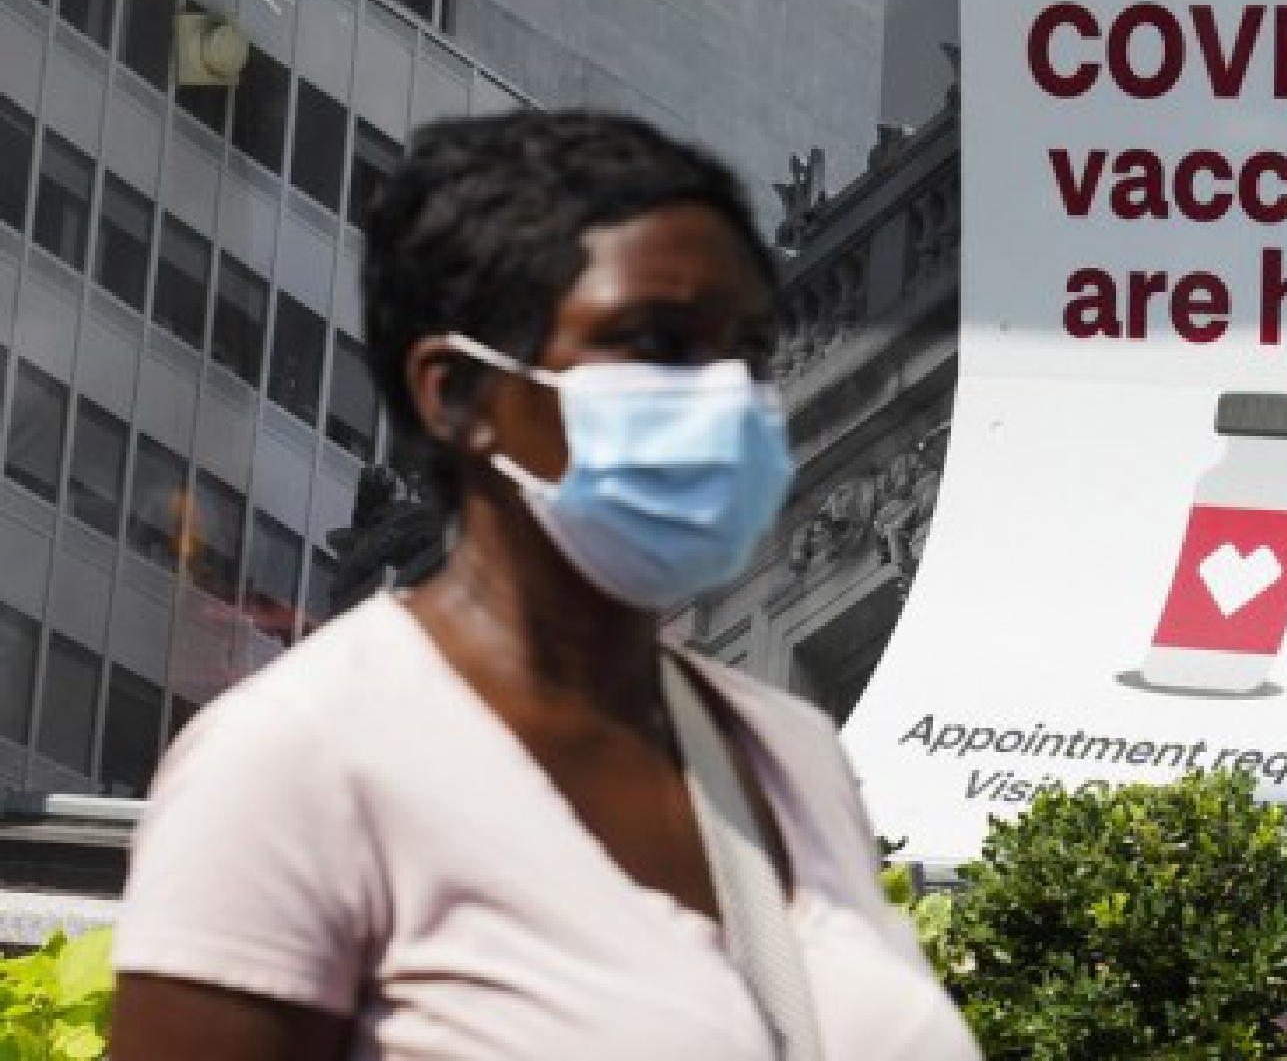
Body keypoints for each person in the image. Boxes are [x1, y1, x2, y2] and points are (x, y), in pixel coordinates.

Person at [112, 111, 980, 1060]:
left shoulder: (790, 755)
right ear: (459, 394)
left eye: (738, 347)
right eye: (651, 344)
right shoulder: (295, 758)